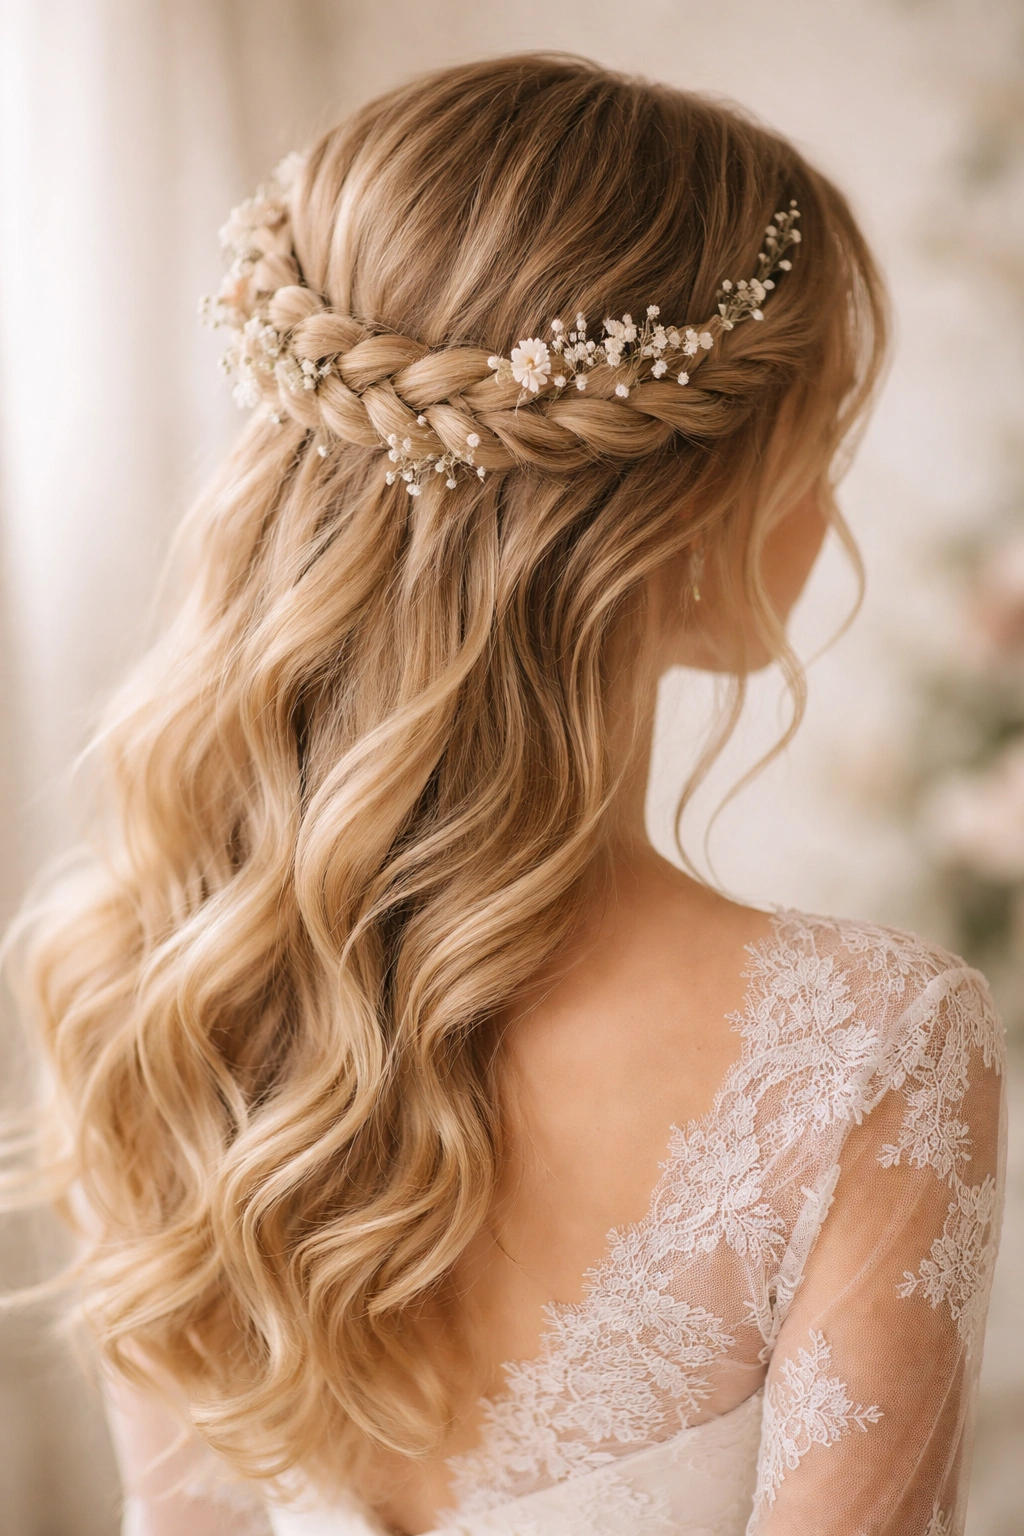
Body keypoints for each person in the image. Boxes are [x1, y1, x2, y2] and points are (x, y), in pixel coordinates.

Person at [10, 54, 1005, 1536]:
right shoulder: (870, 1054)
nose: (830, 515)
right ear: (684, 510)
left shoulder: (138, 978)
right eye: (817, 442)